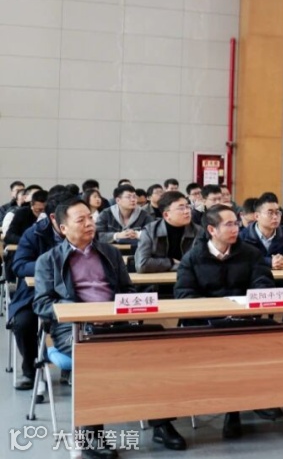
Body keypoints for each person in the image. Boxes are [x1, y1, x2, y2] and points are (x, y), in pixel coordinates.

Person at [34, 197, 185, 456]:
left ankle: (161, 423)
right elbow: (42, 304)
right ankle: (91, 434)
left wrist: (121, 309)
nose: (89, 223)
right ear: (63, 228)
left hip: (115, 322)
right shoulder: (49, 260)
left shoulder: (110, 252)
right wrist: (83, 313)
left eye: (90, 218)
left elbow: (127, 289)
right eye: (81, 220)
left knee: (156, 343)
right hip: (74, 328)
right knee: (93, 354)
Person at [174, 204, 280, 438]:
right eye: (229, 224)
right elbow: (184, 295)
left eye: (237, 223)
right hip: (207, 324)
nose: (236, 229)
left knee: (277, 338)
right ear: (212, 229)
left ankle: (256, 400)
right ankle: (234, 409)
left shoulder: (250, 253)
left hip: (243, 320)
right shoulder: (192, 258)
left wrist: (248, 304)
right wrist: (216, 312)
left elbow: (264, 283)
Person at [7, 191, 69, 390]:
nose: (83, 222)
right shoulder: (34, 233)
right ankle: (31, 370)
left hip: (76, 294)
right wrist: (50, 266)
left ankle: (74, 366)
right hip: (36, 294)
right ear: (54, 218)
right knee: (23, 323)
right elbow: (19, 266)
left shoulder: (87, 234)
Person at [134, 191, 202, 273]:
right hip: (157, 280)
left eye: (188, 207)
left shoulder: (199, 231)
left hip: (190, 279)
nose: (187, 211)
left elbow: (202, 263)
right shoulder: (150, 231)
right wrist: (171, 262)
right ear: (166, 215)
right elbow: (142, 265)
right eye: (181, 208)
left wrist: (177, 266)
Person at [239, 192, 283, 269]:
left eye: (277, 212)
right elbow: (241, 260)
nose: (275, 217)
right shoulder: (243, 237)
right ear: (257, 216)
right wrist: (269, 262)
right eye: (270, 213)